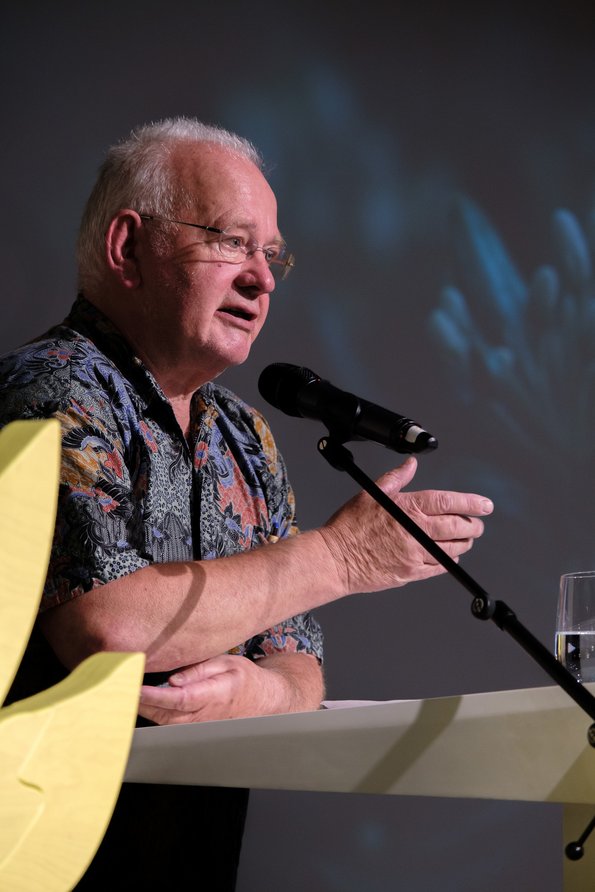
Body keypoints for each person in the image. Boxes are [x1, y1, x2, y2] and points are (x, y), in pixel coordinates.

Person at [0, 117, 493, 889]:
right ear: (127, 249)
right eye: (230, 241)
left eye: (272, 255)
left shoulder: (243, 435)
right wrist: (338, 557)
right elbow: (108, 630)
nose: (262, 279)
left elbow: (299, 669)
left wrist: (252, 691)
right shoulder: (49, 392)